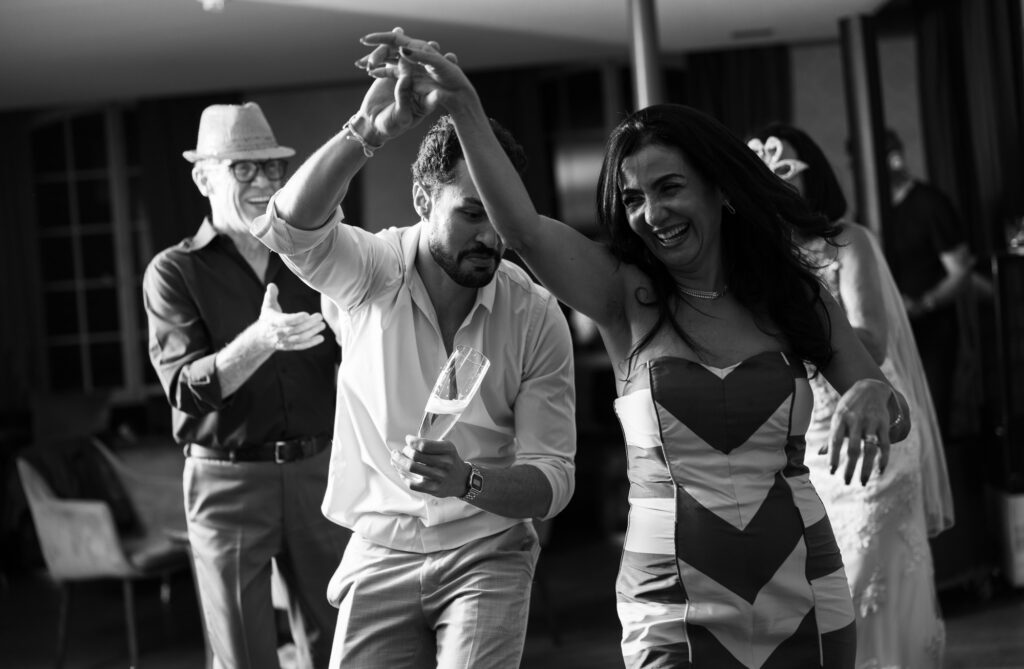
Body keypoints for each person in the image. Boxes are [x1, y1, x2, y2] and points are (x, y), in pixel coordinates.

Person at [358, 31, 911, 669]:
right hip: (668, 602)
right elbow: (524, 232)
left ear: (718, 190)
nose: (652, 212)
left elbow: (895, 416)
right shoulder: (626, 296)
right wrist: (464, 107)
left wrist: (873, 393)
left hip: (806, 587)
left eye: (669, 187)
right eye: (632, 198)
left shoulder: (792, 297)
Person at [247, 39, 577, 669]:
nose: (491, 238)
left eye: (501, 218)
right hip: (379, 548)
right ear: (424, 200)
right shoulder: (372, 270)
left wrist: (469, 480)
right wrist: (367, 132)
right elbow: (287, 228)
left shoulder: (535, 313)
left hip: (489, 549)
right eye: (471, 214)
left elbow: (553, 479)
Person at [142, 102, 349, 669]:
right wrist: (261, 340)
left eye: (273, 168)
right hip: (226, 483)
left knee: (346, 647)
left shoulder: (312, 258)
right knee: (243, 658)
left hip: (319, 475)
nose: (264, 182)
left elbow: (356, 357)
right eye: (243, 168)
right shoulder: (172, 272)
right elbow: (186, 389)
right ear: (202, 177)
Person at [749, 124, 954, 668]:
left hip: (871, 423)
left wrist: (801, 328)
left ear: (811, 174)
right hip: (803, 441)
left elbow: (872, 340)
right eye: (760, 174)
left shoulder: (847, 241)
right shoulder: (753, 261)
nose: (773, 183)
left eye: (785, 170)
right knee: (819, 584)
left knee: (865, 570)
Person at [882, 129, 972, 433]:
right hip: (894, 336)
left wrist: (922, 304)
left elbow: (961, 272)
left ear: (894, 159)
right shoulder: (875, 210)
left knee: (933, 423)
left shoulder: (930, 204)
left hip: (934, 333)